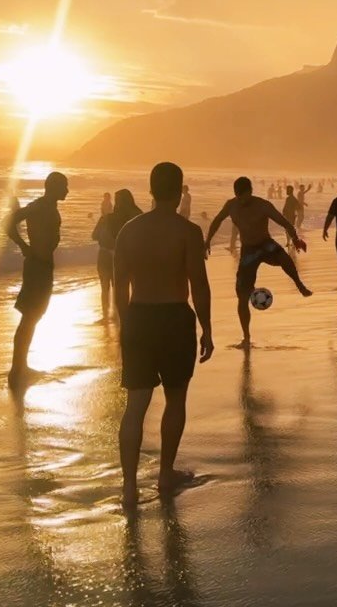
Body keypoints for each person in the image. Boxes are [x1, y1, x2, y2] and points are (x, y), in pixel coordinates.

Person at [114, 162, 213, 507]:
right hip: (174, 318)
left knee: (135, 405)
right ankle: (165, 474)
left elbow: (120, 285)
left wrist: (125, 324)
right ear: (179, 188)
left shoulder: (128, 230)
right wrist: (207, 328)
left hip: (139, 316)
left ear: (151, 189)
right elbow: (198, 284)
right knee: (175, 399)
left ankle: (128, 488)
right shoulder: (187, 232)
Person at [205, 177, 311, 348]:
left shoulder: (262, 205)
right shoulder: (231, 205)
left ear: (250, 191)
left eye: (244, 196)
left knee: (284, 258)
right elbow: (217, 221)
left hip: (265, 244)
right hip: (249, 251)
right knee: (241, 296)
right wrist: (207, 240)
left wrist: (295, 239)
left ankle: (299, 283)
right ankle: (246, 337)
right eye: (238, 197)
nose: (241, 200)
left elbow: (284, 222)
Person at [5, 172, 69, 390]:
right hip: (37, 267)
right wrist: (23, 246)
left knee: (33, 316)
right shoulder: (40, 206)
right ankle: (17, 369)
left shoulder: (46, 206)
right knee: (29, 317)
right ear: (54, 187)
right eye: (64, 186)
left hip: (41, 266)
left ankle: (21, 366)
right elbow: (8, 222)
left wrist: (25, 247)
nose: (67, 191)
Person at [92, 188, 142, 321]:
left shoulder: (106, 218)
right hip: (127, 257)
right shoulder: (137, 215)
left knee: (105, 287)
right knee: (124, 287)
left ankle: (106, 316)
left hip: (104, 256)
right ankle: (122, 317)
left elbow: (94, 235)